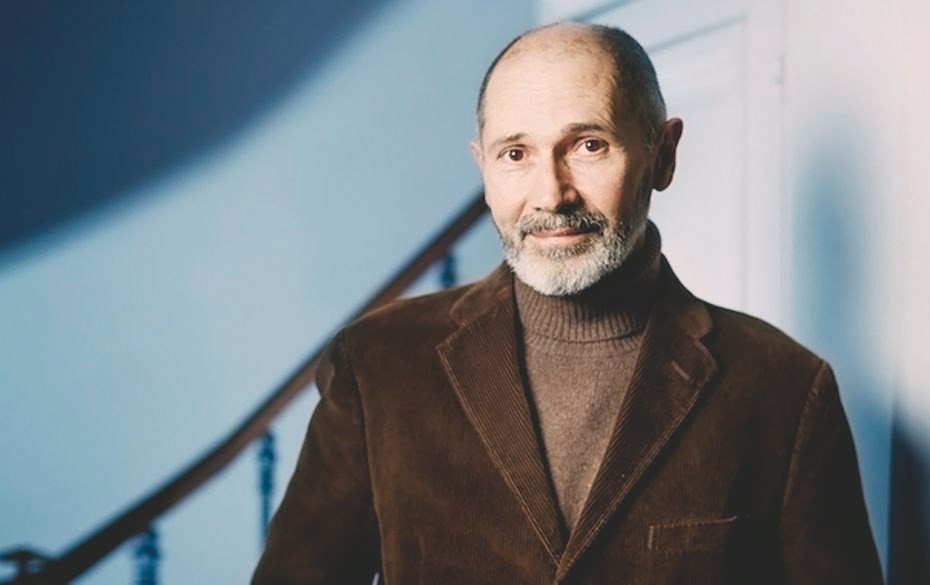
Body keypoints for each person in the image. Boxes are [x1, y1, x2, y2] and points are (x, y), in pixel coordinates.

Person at [252, 22, 883, 584]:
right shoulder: (376, 364)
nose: (551, 195)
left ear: (662, 155)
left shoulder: (784, 389)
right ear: (483, 167)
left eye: (588, 145)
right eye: (516, 154)